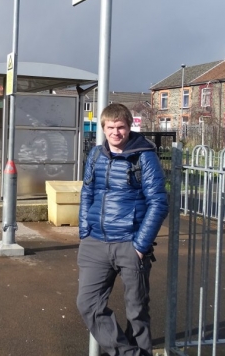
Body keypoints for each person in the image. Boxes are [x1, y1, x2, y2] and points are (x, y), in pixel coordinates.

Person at [77, 104, 168, 356]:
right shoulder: (95, 155)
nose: (116, 132)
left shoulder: (144, 156)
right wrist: (84, 230)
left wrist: (140, 246)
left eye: (121, 127)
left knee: (136, 311)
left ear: (129, 127)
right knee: (88, 304)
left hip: (130, 244)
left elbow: (159, 202)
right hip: (95, 242)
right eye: (110, 128)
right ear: (103, 128)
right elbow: (87, 193)